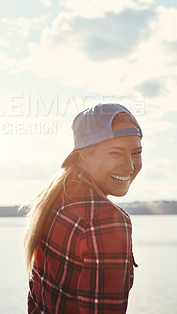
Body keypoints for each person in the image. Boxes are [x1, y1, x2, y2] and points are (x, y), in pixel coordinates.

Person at [23, 103, 142, 314]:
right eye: (116, 153)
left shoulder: (54, 202)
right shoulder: (105, 219)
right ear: (84, 157)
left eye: (136, 152)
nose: (130, 166)